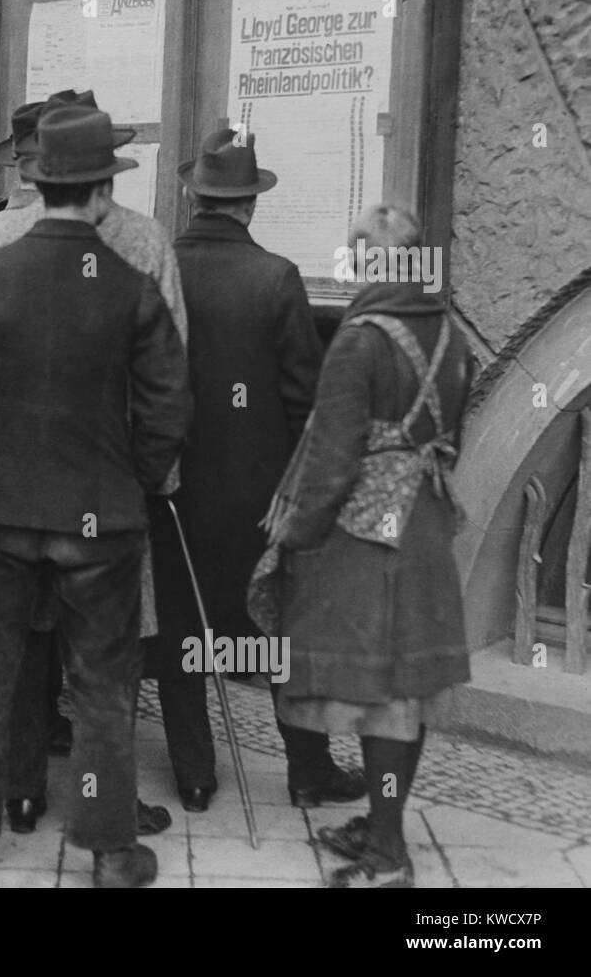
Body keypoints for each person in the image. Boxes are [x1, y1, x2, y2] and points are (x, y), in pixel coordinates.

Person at [0, 105, 192, 888]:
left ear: (37, 182)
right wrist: (131, 477)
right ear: (104, 187)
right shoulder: (134, 288)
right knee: (104, 688)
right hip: (100, 519)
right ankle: (110, 852)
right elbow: (169, 409)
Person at [146, 129, 366, 814]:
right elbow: (304, 399)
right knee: (276, 627)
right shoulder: (275, 277)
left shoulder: (158, 268)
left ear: (196, 197)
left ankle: (194, 776)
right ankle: (306, 771)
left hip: (174, 486)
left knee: (183, 628)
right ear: (250, 204)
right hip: (257, 493)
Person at [270, 204, 472, 888]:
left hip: (363, 539)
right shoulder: (452, 331)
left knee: (380, 700)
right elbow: (452, 441)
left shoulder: (358, 340)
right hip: (426, 528)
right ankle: (381, 827)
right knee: (405, 694)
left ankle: (388, 856)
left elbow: (330, 460)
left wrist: (296, 537)